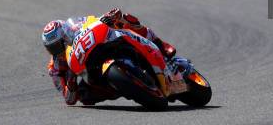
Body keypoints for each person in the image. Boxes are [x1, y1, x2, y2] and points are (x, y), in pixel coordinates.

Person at [42, 8, 175, 105]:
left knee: (121, 19)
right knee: (84, 97)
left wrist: (107, 17)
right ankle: (120, 87)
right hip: (91, 74)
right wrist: (71, 78)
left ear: (65, 36)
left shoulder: (77, 26)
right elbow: (69, 99)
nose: (55, 51)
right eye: (51, 48)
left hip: (102, 45)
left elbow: (94, 21)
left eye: (57, 46)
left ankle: (160, 44)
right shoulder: (55, 68)